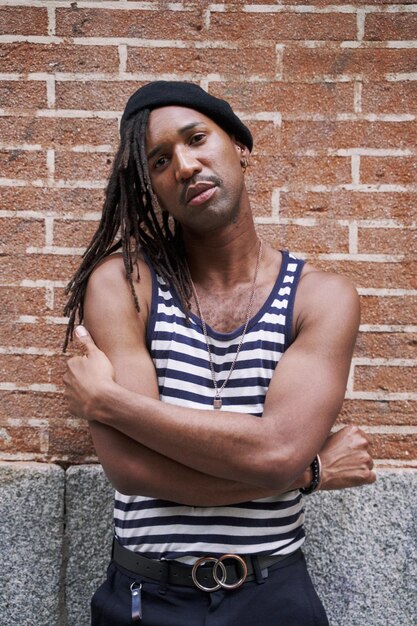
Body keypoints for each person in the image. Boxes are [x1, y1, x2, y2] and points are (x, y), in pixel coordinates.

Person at [63, 81, 376, 626]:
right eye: (160, 160)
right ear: (151, 187)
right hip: (145, 597)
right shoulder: (124, 284)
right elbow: (134, 468)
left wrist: (108, 403)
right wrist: (309, 473)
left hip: (271, 596)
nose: (184, 165)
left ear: (240, 147)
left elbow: (278, 450)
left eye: (197, 139)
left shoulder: (320, 297)